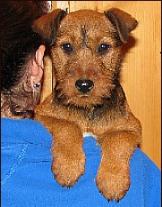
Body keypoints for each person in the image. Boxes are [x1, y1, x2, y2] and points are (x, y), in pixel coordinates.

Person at [1, 1, 161, 207]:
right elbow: (43, 117)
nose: (84, 75)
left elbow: (131, 130)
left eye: (103, 48)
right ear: (41, 59)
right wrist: (67, 134)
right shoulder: (144, 172)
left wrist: (116, 157)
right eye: (67, 47)